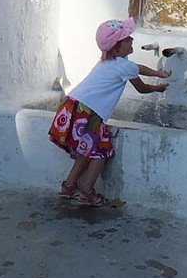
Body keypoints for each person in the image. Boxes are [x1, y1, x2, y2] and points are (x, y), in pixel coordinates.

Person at [48, 17, 170, 207]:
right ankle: (87, 193)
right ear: (117, 47)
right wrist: (159, 87)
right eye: (127, 39)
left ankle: (69, 186)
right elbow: (142, 88)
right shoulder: (124, 66)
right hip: (88, 113)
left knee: (87, 150)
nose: (131, 39)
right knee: (100, 151)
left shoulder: (108, 63)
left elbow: (137, 68)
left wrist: (157, 73)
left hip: (73, 106)